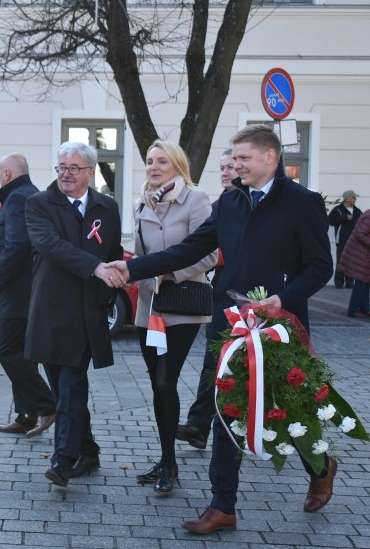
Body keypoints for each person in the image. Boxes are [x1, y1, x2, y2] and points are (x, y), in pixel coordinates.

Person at [107, 124, 335, 533]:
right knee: (226, 407)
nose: (235, 166)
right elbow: (191, 249)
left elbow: (321, 266)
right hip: (229, 322)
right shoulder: (230, 202)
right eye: (235, 158)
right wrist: (133, 267)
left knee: (285, 408)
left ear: (270, 158)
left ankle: (320, 465)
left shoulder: (304, 203)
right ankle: (222, 504)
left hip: (279, 324)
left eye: (244, 159)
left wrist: (281, 298)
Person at [24, 141, 123, 488]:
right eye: (61, 167)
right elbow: (50, 245)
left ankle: (62, 460)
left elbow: (113, 252)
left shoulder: (107, 208)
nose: (65, 173)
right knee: (66, 390)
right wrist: (95, 267)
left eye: (73, 168)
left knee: (71, 383)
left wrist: (110, 285)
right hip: (51, 311)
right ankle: (89, 450)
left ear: (90, 172)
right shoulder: (38, 204)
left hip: (87, 313)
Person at [131, 140, 217, 495]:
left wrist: (168, 273)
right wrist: (140, 277)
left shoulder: (196, 200)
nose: (153, 166)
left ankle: (169, 463)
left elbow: (209, 254)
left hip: (181, 306)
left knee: (166, 381)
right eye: (150, 161)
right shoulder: (142, 202)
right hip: (149, 308)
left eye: (161, 161)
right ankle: (167, 460)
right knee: (157, 385)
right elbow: (139, 255)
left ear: (177, 164)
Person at [0, 152, 57, 438]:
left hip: (17, 292)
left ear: (6, 174)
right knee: (23, 355)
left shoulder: (17, 198)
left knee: (7, 350)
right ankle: (26, 415)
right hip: (29, 291)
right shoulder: (31, 194)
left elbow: (17, 245)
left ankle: (47, 405)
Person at [176, 148, 238, 450]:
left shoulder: (263, 206)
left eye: (231, 167)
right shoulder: (220, 206)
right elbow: (200, 249)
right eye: (222, 167)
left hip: (261, 302)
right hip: (222, 296)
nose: (225, 172)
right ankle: (199, 426)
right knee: (213, 362)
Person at [337, 209, 370, 318]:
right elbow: (360, 233)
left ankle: (364, 308)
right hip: (361, 254)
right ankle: (353, 309)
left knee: (365, 281)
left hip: (362, 254)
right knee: (362, 282)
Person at [328, 189, 362, 288]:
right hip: (342, 241)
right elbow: (330, 221)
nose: (355, 199)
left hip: (355, 241)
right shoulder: (338, 210)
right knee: (341, 261)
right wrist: (344, 218)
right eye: (353, 197)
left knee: (352, 262)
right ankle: (339, 282)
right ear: (347, 199)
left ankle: (350, 282)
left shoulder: (358, 211)